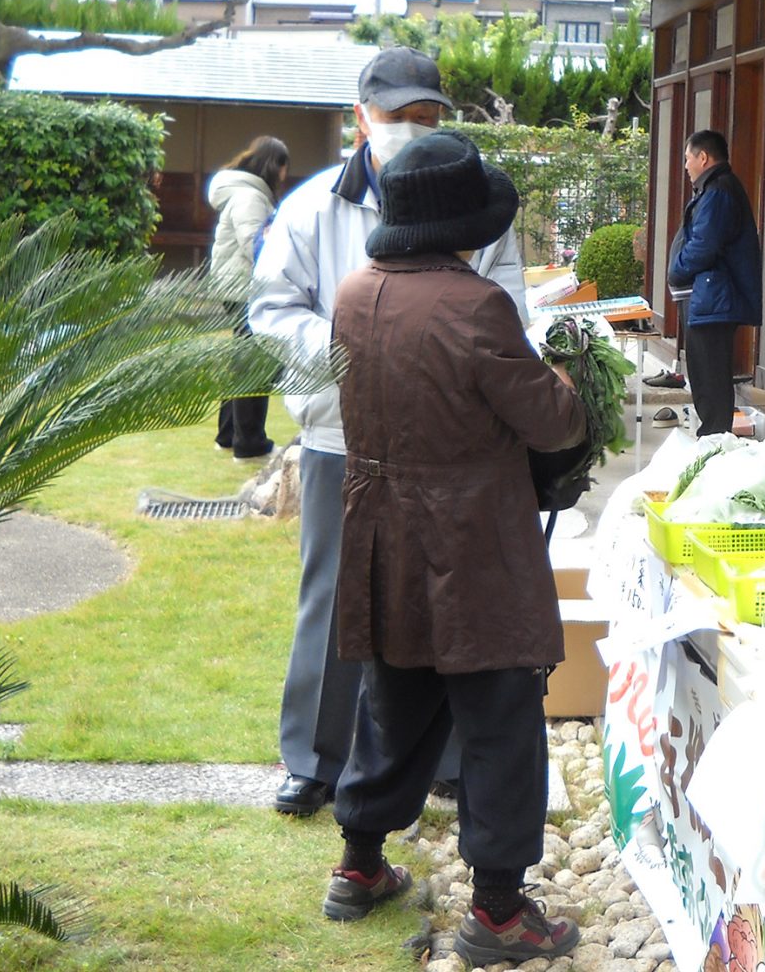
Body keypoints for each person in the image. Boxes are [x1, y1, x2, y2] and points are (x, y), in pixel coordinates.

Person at [318, 131, 582, 962]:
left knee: (393, 702)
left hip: (382, 530)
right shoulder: (474, 304)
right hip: (473, 542)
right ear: (455, 225)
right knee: (501, 715)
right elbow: (551, 419)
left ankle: (359, 868)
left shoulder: (355, 293)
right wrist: (568, 383)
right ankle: (500, 915)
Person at [251, 46, 528, 817]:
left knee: (446, 597)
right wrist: (352, 358)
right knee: (335, 596)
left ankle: (439, 756)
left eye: (428, 116)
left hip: (454, 440)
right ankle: (314, 757)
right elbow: (272, 311)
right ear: (359, 120)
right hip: (345, 434)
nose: (413, 129)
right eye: (398, 116)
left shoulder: (481, 208)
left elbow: (511, 313)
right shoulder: (310, 208)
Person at [667, 130, 760, 435]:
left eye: (687, 158)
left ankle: (714, 445)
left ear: (703, 157)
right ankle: (713, 440)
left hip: (712, 301)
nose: (685, 166)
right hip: (708, 300)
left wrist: (677, 270)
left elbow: (704, 246)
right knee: (705, 378)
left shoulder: (718, 191)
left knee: (711, 382)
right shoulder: (714, 189)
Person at [208, 135, 289, 459]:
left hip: (235, 287)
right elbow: (255, 245)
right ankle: (250, 444)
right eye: (285, 167)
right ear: (276, 166)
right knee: (255, 365)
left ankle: (229, 436)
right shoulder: (251, 197)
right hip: (245, 289)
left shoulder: (245, 191)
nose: (285, 174)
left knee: (242, 362)